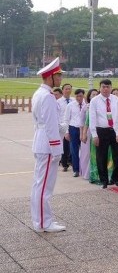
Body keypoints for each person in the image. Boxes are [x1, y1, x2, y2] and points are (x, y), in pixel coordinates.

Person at [30, 57, 67, 233]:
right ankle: (44, 222)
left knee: (39, 184)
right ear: (50, 77)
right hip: (47, 144)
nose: (60, 79)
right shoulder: (48, 96)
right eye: (58, 75)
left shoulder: (39, 93)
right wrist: (57, 148)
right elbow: (51, 125)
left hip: (40, 140)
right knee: (45, 185)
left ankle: (40, 220)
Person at [89, 79, 118, 188]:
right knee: (101, 157)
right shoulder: (95, 101)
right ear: (100, 88)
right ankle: (104, 180)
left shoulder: (116, 99)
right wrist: (94, 135)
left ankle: (115, 178)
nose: (105, 89)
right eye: (103, 87)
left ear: (111, 87)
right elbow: (92, 119)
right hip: (101, 131)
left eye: (108, 87)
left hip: (115, 131)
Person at [63, 88, 85, 177]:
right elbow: (66, 119)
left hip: (83, 129)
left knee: (84, 150)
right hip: (73, 128)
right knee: (74, 150)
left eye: (80, 96)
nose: (79, 98)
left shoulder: (86, 105)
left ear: (83, 96)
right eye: (77, 96)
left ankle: (84, 169)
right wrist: (66, 132)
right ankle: (76, 169)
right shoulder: (70, 105)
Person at [79, 89, 95, 180]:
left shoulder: (100, 106)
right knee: (86, 153)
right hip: (87, 132)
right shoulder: (86, 107)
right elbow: (81, 122)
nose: (95, 96)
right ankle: (86, 173)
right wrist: (82, 134)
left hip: (97, 132)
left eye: (97, 94)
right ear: (89, 96)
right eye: (93, 94)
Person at [58, 83, 73, 171]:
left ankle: (71, 161)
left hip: (72, 125)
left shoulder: (74, 100)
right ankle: (64, 164)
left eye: (69, 89)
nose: (68, 90)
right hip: (62, 127)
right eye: (66, 89)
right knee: (65, 146)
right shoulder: (58, 102)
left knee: (73, 146)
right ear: (62, 90)